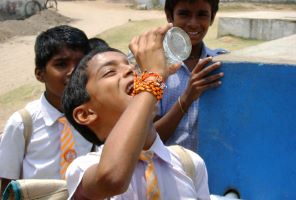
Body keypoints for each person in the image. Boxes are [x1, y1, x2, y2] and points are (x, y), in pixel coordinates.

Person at [62, 24, 210, 199]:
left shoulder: (189, 163)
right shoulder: (83, 168)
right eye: (110, 72)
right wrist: (153, 79)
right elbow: (112, 178)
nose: (131, 70)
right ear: (86, 114)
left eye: (130, 64)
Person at [0, 25, 95, 195]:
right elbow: (7, 185)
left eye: (81, 64)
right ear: (40, 74)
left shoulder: (93, 117)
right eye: (61, 64)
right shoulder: (22, 123)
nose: (74, 72)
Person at [155, 0, 227, 151]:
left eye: (202, 15)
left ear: (212, 18)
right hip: (168, 171)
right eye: (184, 14)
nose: (193, 23)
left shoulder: (223, 62)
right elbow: (148, 139)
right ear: (169, 16)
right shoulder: (154, 68)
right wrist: (187, 98)